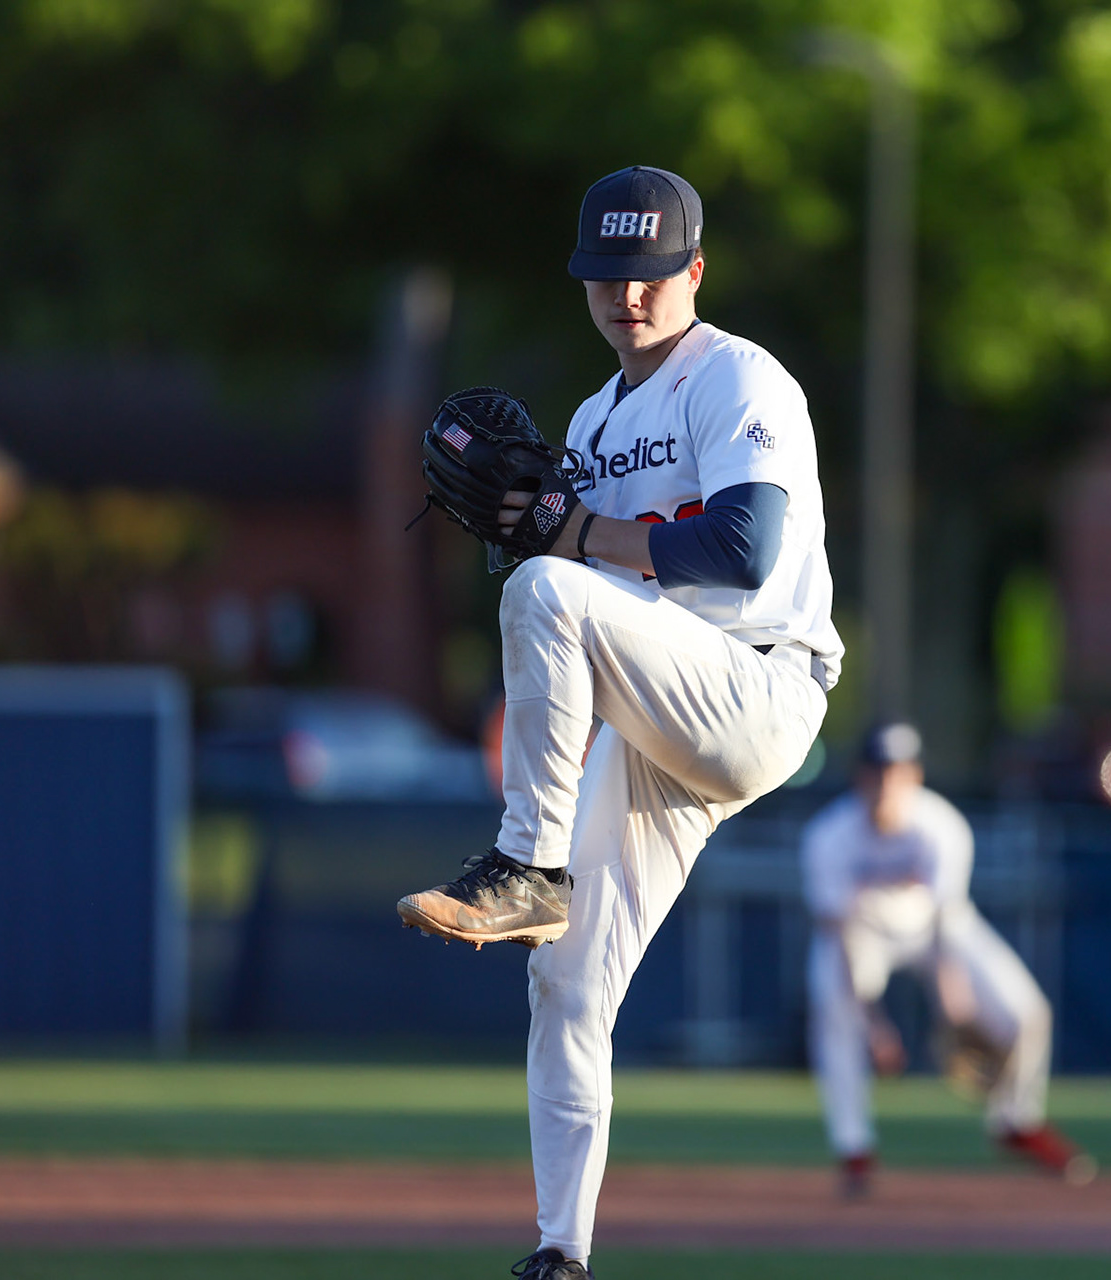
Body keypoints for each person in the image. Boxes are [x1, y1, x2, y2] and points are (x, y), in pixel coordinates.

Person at [397, 165, 841, 1280]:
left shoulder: (738, 377)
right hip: (658, 718)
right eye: (607, 273)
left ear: (692, 269)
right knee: (564, 981)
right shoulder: (595, 417)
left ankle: (525, 864)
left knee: (545, 592)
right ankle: (562, 1248)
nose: (627, 296)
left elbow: (741, 550)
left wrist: (573, 532)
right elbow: (567, 557)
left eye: (650, 273)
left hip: (757, 683)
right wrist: (532, 525)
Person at [801, 722, 1094, 1198]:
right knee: (833, 1009)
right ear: (860, 778)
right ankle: (854, 1149)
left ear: (914, 776)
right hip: (861, 936)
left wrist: (952, 1008)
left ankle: (1015, 1121)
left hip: (935, 931)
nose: (885, 785)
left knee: (1026, 1013)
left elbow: (944, 924)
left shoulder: (941, 826)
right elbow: (842, 936)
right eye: (876, 773)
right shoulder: (829, 837)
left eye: (896, 773)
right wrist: (875, 1024)